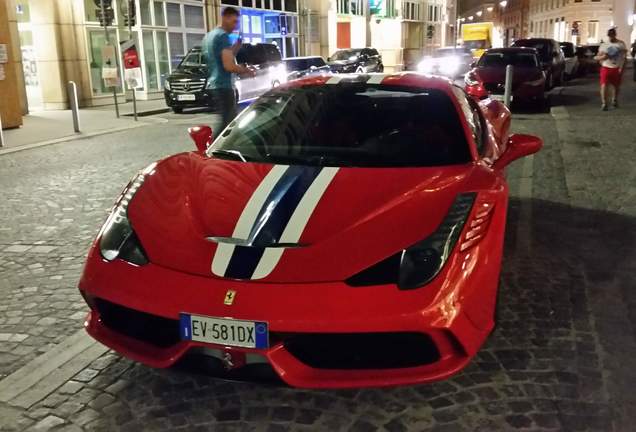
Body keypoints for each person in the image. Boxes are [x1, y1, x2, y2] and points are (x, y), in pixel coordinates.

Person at [202, 7, 255, 131]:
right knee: (228, 126)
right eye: (234, 22)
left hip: (215, 84)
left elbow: (224, 57)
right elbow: (229, 66)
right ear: (225, 18)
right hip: (223, 86)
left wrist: (236, 46)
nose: (235, 26)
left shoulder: (210, 36)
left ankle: (214, 148)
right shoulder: (222, 36)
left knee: (226, 122)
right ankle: (213, 149)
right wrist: (246, 70)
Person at [595, 27, 627, 111]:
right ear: (608, 36)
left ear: (615, 35)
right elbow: (598, 57)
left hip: (616, 68)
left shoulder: (621, 44)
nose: (611, 37)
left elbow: (624, 57)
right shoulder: (604, 45)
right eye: (609, 36)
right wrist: (602, 58)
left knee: (616, 86)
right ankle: (604, 103)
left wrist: (622, 68)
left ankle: (614, 99)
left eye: (612, 35)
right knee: (604, 85)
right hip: (606, 67)